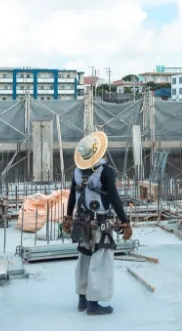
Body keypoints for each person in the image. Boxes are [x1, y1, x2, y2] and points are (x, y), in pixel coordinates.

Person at [61, 130, 132, 316]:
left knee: (84, 257)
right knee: (100, 260)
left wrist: (68, 217)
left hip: (81, 222)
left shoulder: (77, 171)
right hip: (101, 223)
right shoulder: (105, 171)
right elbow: (115, 199)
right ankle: (93, 304)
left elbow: (71, 197)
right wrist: (125, 221)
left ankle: (82, 300)